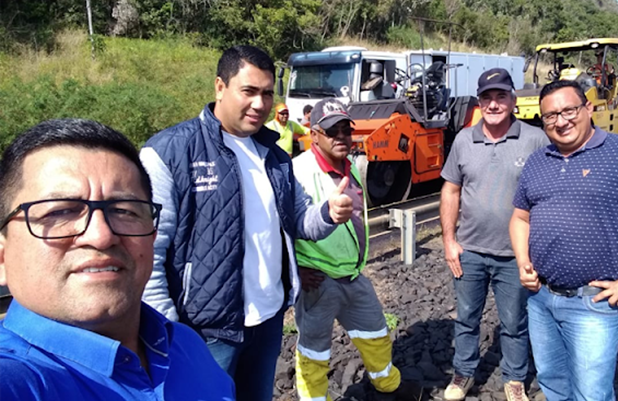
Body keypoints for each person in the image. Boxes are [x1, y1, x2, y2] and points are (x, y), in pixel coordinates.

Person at [139, 45, 353, 400]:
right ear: (220, 87)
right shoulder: (170, 151)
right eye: (249, 91)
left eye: (267, 93)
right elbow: (147, 252)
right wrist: (168, 330)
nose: (259, 103)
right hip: (204, 330)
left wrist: (329, 213)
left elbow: (301, 222)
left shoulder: (275, 155)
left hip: (268, 320)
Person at [0, 119, 235, 400]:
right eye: (59, 212)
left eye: (125, 210)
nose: (100, 236)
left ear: (153, 237)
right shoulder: (18, 381)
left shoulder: (187, 346)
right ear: (2, 256)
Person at [509, 80, 618, 401]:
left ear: (588, 108)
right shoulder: (537, 161)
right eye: (550, 116)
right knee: (552, 381)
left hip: (593, 302)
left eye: (568, 110)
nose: (560, 121)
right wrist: (523, 261)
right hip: (540, 298)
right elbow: (520, 218)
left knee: (591, 393)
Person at [292, 99, 422, 401]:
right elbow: (280, 225)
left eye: (344, 129)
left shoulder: (350, 166)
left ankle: (388, 386)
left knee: (375, 332)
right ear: (314, 134)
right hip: (318, 281)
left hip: (352, 274)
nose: (341, 136)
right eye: (331, 131)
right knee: (314, 350)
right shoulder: (298, 171)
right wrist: (295, 271)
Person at [440, 68, 549, 401]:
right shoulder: (463, 139)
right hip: (470, 250)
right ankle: (464, 373)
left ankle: (514, 379)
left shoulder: (535, 139)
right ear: (479, 102)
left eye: (501, 96)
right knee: (467, 317)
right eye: (487, 97)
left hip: (515, 253)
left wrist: (535, 251)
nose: (494, 103)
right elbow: (451, 191)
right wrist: (449, 241)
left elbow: (548, 194)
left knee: (515, 322)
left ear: (513, 101)